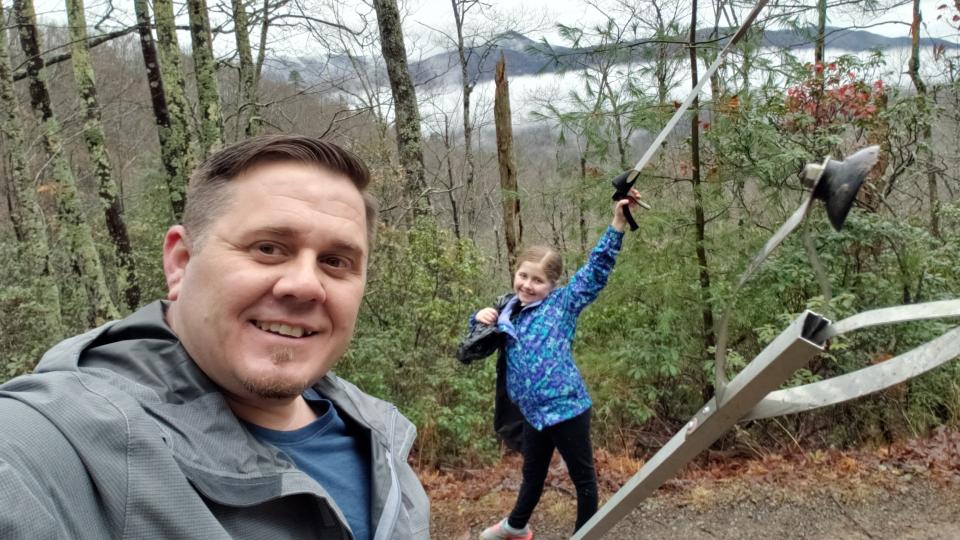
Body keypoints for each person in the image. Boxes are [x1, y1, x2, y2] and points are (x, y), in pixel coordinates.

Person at [0, 134, 429, 539]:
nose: (304, 285)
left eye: (335, 261)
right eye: (268, 248)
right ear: (181, 263)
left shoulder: (380, 439)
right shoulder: (60, 443)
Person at [472, 190, 643, 540]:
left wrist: (617, 223)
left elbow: (595, 271)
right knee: (533, 475)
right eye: (523, 276)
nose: (528, 285)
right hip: (533, 414)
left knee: (584, 479)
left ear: (552, 285)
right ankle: (516, 527)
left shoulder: (563, 304)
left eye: (538, 280)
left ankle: (584, 534)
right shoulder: (509, 312)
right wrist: (479, 320)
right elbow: (471, 349)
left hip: (567, 409)